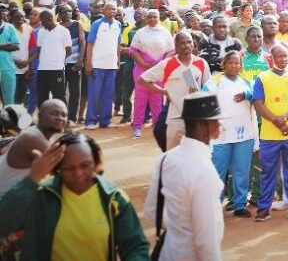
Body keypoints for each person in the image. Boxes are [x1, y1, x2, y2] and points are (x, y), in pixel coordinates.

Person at [0, 131, 149, 260]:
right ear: (57, 168)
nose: (78, 174)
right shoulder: (41, 195)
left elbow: (135, 246)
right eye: (69, 168)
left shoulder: (113, 198)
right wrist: (32, 179)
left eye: (85, 165)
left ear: (96, 163)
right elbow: (3, 222)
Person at [145, 92, 226, 259]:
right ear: (204, 125)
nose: (221, 125)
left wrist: (179, 227)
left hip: (168, 253)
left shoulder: (167, 158)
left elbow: (152, 210)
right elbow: (207, 240)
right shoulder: (203, 170)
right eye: (216, 120)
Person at [252, 43, 288, 222]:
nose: (283, 59)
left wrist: (284, 117)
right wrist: (276, 120)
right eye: (279, 56)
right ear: (272, 58)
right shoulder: (262, 78)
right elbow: (258, 103)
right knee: (268, 172)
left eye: (285, 56)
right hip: (269, 135)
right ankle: (263, 208)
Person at [138, 32, 211, 150]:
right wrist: (163, 91)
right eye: (182, 43)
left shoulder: (201, 63)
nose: (186, 45)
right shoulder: (167, 64)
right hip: (175, 119)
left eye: (189, 42)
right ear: (176, 47)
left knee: (195, 157)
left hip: (194, 120)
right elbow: (142, 80)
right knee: (173, 156)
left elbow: (208, 89)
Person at [205, 51, 256, 217]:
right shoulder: (215, 81)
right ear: (224, 64)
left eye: (237, 63)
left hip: (244, 134)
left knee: (241, 171)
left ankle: (240, 204)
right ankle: (215, 204)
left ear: (241, 66)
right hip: (221, 134)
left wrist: (247, 94)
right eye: (231, 62)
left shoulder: (247, 82)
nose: (234, 65)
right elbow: (203, 100)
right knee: (218, 170)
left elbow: (258, 97)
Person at [0, 99, 67, 199]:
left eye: (63, 115)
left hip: (13, 198)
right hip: (6, 203)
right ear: (39, 116)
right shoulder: (32, 138)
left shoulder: (37, 134)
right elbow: (64, 169)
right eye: (54, 114)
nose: (60, 118)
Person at [128, 10, 175, 138]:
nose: (152, 19)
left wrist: (162, 63)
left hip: (158, 69)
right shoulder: (141, 32)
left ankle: (157, 126)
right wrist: (143, 63)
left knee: (157, 97)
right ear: (146, 19)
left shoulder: (165, 33)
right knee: (140, 98)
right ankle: (137, 126)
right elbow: (133, 50)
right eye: (150, 17)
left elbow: (171, 51)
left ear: (159, 18)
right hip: (142, 68)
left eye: (155, 17)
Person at [84, 2, 122, 129]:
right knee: (94, 94)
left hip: (111, 65)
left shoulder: (118, 25)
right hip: (97, 64)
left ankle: (105, 120)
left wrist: (118, 60)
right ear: (103, 10)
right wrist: (88, 63)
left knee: (108, 94)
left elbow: (118, 45)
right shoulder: (97, 24)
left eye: (114, 9)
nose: (111, 11)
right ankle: (91, 121)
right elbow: (89, 44)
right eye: (109, 9)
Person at [30, 9, 72, 106]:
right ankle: (43, 120)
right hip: (42, 69)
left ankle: (63, 120)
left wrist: (58, 60)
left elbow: (69, 51)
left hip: (57, 69)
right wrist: (30, 62)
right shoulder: (41, 32)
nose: (41, 23)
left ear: (49, 19)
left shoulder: (64, 31)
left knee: (59, 96)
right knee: (42, 97)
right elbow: (39, 51)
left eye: (42, 21)